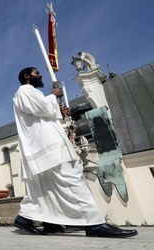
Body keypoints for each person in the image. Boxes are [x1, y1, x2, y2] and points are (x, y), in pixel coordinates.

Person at [12, 67, 138, 238]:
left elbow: (44, 113)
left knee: (49, 188)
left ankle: (42, 221)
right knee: (73, 180)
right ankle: (94, 223)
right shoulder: (25, 90)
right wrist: (53, 95)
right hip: (49, 146)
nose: (40, 74)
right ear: (27, 76)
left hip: (45, 146)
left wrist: (57, 109)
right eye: (36, 72)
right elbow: (42, 108)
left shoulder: (30, 93)